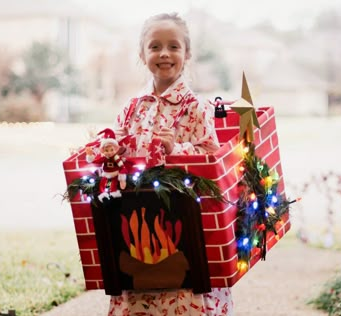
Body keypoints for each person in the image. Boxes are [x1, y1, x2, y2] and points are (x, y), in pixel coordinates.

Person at [108, 12, 232, 316]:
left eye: (174, 46)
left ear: (187, 54)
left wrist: (177, 148)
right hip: (139, 227)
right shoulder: (132, 108)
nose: (164, 53)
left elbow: (212, 158)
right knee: (140, 292)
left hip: (183, 228)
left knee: (184, 295)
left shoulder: (196, 108)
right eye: (155, 46)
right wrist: (112, 150)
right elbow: (119, 157)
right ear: (142, 54)